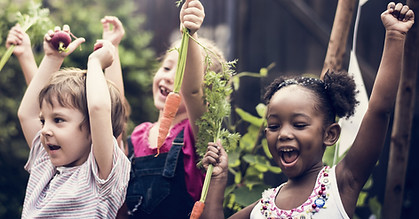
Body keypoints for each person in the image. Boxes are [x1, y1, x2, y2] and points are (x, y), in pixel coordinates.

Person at [201, 2, 415, 219]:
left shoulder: (342, 183)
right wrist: (218, 181)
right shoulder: (261, 209)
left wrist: (395, 36)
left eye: (299, 124)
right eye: (274, 126)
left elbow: (379, 110)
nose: (284, 133)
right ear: (266, 135)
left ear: (330, 134)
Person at [117, 0, 226, 218]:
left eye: (181, 73)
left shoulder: (196, 135)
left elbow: (192, 91)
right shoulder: (139, 134)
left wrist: (190, 35)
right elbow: (116, 114)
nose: (168, 77)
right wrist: (112, 47)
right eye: (166, 67)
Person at [17, 25, 130, 218]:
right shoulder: (46, 164)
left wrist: (95, 63)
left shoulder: (101, 176)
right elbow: (26, 115)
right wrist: (52, 58)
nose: (44, 130)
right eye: (44, 121)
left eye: (58, 120)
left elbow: (98, 109)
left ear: (93, 130)